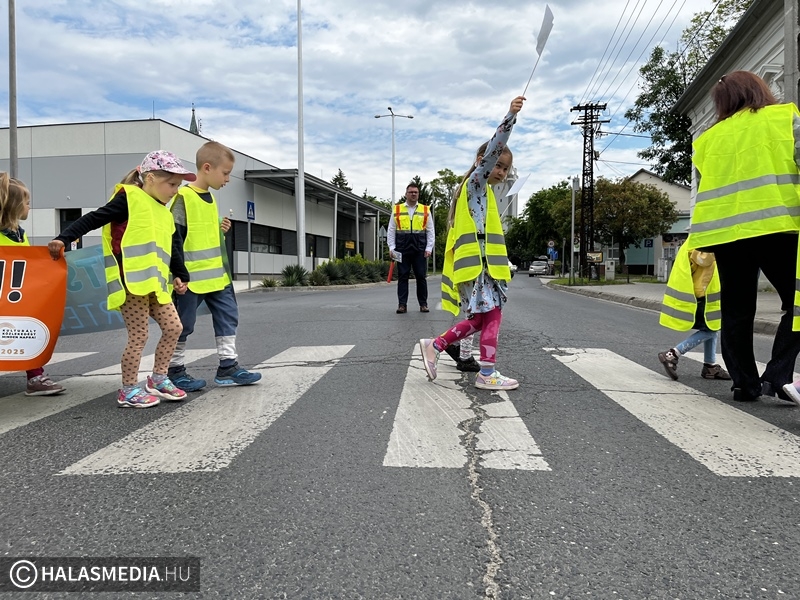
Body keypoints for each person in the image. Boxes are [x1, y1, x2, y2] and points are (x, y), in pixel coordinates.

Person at [686, 71, 800, 402]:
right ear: (758, 89)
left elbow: (706, 184)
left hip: (726, 234)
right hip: (777, 226)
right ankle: (777, 375)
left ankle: (744, 384)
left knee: (736, 310)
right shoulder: (783, 117)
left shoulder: (707, 139)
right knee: (796, 303)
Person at [48, 150, 194, 409]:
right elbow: (94, 218)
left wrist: (180, 275)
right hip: (131, 283)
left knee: (174, 328)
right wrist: (64, 238)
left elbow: (173, 246)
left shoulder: (164, 212)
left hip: (155, 284)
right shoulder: (129, 199)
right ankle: (128, 390)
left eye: (178, 185)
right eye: (172, 184)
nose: (175, 191)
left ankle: (158, 379)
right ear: (150, 178)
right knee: (139, 336)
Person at [419, 96, 524, 390]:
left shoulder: (481, 192)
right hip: (478, 269)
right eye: (498, 165)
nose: (501, 172)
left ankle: (435, 346)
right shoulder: (476, 184)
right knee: (493, 317)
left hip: (477, 268)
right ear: (483, 161)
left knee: (480, 321)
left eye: (505, 169)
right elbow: (495, 147)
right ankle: (487, 373)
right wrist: (510, 117)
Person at [167, 141, 261, 391]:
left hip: (217, 277)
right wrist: (177, 274)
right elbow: (175, 238)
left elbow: (201, 233)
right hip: (190, 278)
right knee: (182, 325)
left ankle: (228, 366)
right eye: (225, 173)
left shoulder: (209, 198)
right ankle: (174, 371)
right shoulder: (183, 197)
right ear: (207, 168)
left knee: (228, 316)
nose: (228, 179)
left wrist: (220, 228)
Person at [0, 173, 66, 396]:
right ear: (14, 206)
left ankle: (35, 376)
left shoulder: (19, 234)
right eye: (27, 202)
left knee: (26, 331)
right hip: (4, 294)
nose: (30, 206)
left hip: (15, 295)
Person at [658, 248, 731, 381]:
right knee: (711, 330)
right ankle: (672, 354)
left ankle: (710, 366)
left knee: (712, 327)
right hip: (703, 295)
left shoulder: (701, 240)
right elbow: (704, 259)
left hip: (708, 295)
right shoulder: (699, 243)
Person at [387, 183, 434, 313]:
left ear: (418, 194)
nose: (413, 194)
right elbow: (391, 230)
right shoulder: (397, 209)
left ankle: (423, 304)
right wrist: (392, 247)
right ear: (406, 194)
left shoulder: (425, 210)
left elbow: (430, 231)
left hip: (420, 248)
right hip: (402, 248)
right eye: (411, 192)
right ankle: (402, 305)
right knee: (403, 276)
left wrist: (429, 248)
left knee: (421, 276)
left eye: (415, 192)